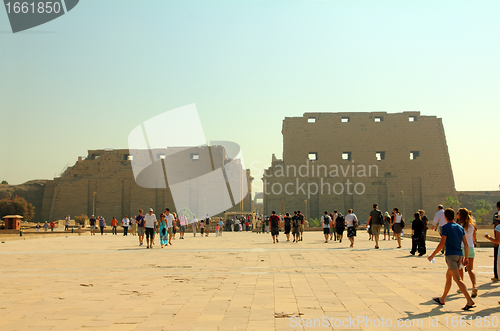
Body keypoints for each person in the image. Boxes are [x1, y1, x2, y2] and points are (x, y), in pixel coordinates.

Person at [428, 208, 475, 311]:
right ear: (454, 216)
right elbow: (466, 244)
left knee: (457, 279)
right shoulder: (459, 227)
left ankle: (469, 300)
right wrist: (466, 257)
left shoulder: (445, 227)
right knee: (448, 276)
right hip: (459, 255)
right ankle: (442, 298)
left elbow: (442, 243)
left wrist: (432, 255)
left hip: (451, 256)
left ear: (445, 217)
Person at [456, 208, 477, 298]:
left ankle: (462, 287)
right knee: (470, 269)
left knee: (460, 268)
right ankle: (474, 286)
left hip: (461, 248)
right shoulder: (472, 225)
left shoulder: (458, 225)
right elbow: (474, 238)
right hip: (471, 247)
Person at [492, 204, 500, 281]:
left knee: (497, 259)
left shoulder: (497, 214)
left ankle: (497, 275)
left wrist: (495, 239)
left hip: (498, 239)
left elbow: (496, 226)